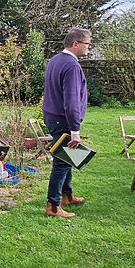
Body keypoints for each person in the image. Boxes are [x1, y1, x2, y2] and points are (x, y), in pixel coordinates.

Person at [42, 28, 91, 218]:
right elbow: (71, 101)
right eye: (87, 43)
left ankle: (67, 196)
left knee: (68, 158)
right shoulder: (71, 66)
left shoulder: (55, 60)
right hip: (62, 119)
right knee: (62, 162)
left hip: (51, 116)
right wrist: (75, 130)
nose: (89, 47)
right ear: (75, 44)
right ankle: (53, 207)